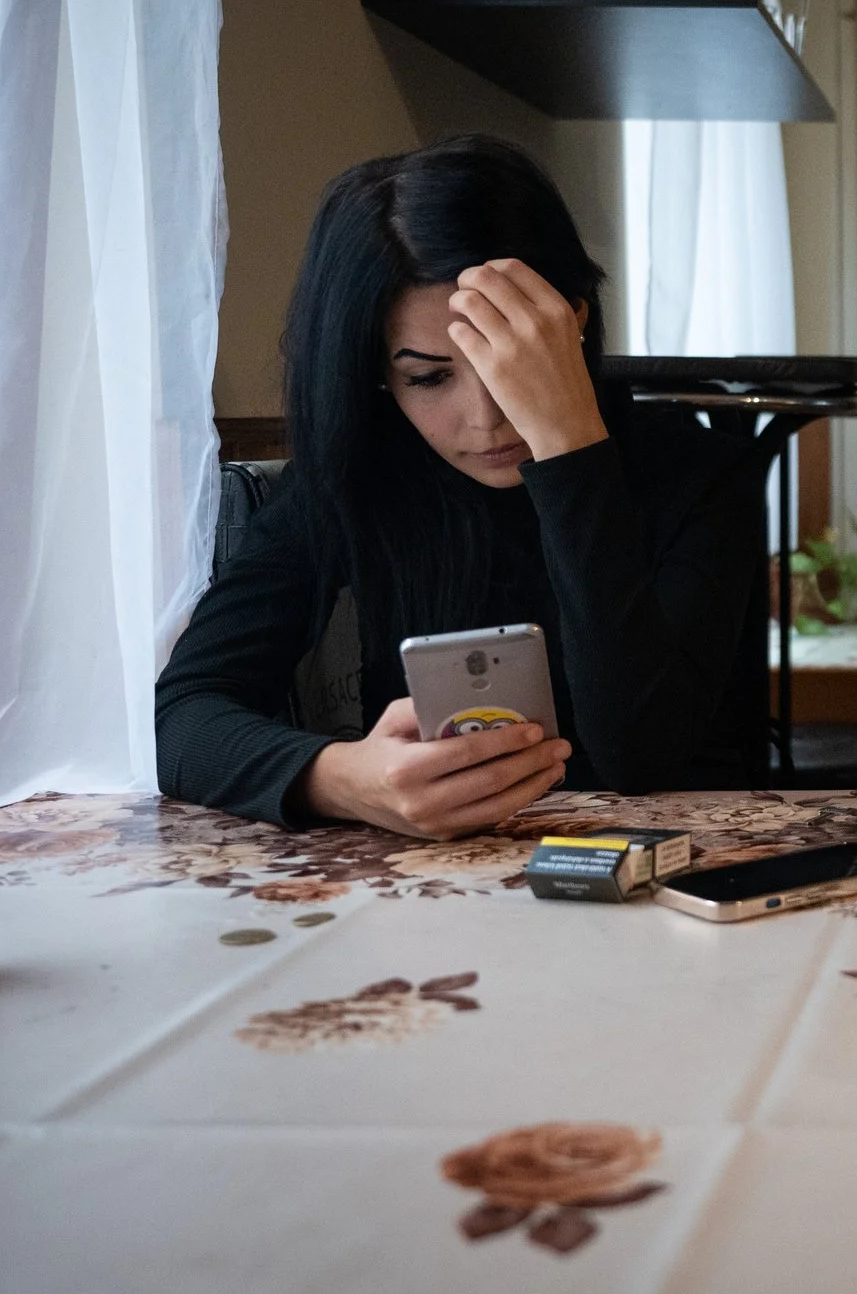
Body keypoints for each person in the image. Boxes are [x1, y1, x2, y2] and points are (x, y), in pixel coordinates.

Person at [157, 134, 766, 838]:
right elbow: (184, 715)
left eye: (509, 358)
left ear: (574, 319)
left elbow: (639, 757)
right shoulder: (357, 479)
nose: (487, 418)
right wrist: (342, 778)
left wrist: (570, 449)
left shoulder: (702, 477)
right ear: (379, 375)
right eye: (428, 376)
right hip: (430, 890)